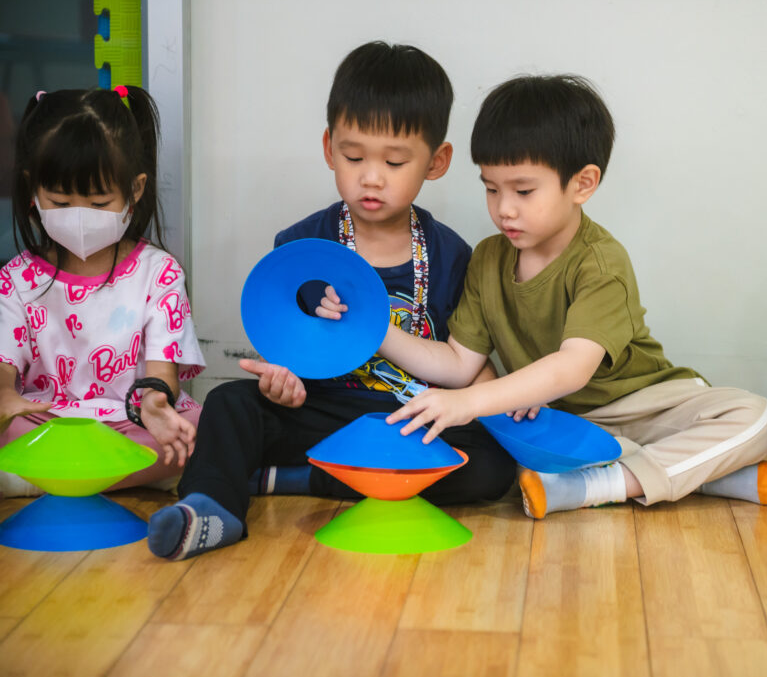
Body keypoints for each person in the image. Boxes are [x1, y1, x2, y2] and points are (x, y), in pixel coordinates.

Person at [327, 74, 767, 519]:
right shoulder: (487, 259)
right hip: (554, 422)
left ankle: (604, 484)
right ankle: (696, 475)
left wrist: (468, 403)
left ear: (582, 184)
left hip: (639, 404)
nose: (504, 208)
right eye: (491, 188)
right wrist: (373, 329)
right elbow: (456, 363)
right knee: (495, 451)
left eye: (523, 191)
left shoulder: (601, 262)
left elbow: (572, 368)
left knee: (758, 417)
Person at [148, 42, 516, 560]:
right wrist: (283, 386)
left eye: (394, 160)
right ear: (328, 148)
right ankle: (211, 505)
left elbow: (466, 361)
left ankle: (298, 481)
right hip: (320, 410)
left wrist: (495, 400)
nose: (371, 176)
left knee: (493, 465)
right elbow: (286, 356)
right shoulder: (300, 247)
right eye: (353, 156)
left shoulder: (453, 255)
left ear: (436, 162)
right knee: (230, 404)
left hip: (407, 418)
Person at [0, 86, 204, 497]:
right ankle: (119, 476)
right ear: (32, 189)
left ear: (136, 189)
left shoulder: (159, 272)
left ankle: (41, 479)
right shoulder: (17, 277)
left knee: (199, 429)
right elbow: (4, 367)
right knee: (13, 431)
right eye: (58, 202)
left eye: (98, 203)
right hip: (48, 422)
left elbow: (162, 377)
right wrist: (5, 397)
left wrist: (155, 405)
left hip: (130, 422)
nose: (78, 218)